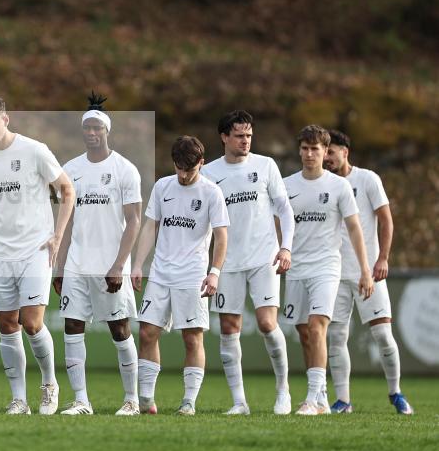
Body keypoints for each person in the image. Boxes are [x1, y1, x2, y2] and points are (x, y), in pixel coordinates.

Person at [0, 96, 74, 415]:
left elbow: (67, 190)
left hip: (35, 249)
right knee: (6, 323)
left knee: (31, 322)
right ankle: (19, 399)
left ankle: (49, 384)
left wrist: (58, 236)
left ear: (6, 119)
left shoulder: (34, 150)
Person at [53, 94, 143, 416]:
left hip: (109, 266)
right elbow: (67, 222)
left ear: (107, 130)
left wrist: (119, 265)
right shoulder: (70, 169)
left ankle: (131, 400)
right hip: (77, 263)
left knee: (119, 328)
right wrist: (59, 267)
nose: (91, 133)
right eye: (87, 128)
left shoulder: (124, 169)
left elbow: (134, 221)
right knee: (72, 326)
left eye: (97, 128)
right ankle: (81, 401)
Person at [201, 110, 295, 415]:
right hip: (227, 262)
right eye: (239, 135)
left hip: (264, 257)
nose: (245, 141)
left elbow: (284, 209)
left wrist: (286, 247)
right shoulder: (209, 173)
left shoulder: (266, 165)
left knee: (267, 323)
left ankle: (283, 391)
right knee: (229, 328)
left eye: (249, 135)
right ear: (224, 137)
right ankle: (239, 402)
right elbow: (204, 223)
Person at [131, 136, 229, 416]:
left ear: (202, 163)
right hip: (160, 273)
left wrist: (214, 272)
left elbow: (222, 236)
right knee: (147, 332)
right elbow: (150, 227)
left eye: (190, 169)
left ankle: (188, 402)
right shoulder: (163, 186)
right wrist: (138, 264)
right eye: (179, 168)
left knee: (192, 338)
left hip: (193, 275)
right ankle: (146, 400)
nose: (183, 175)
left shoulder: (211, 192)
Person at [282, 125, 373, 415]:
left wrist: (365, 269)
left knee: (317, 326)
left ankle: (312, 398)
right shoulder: (286, 185)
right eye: (305, 148)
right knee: (304, 332)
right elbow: (277, 224)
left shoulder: (339, 186)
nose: (309, 154)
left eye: (315, 149)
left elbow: (355, 229)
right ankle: (321, 396)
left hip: (326, 266)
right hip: (296, 267)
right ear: (299, 151)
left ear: (325, 152)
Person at [323, 129, 413, 415]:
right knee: (336, 337)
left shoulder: (367, 179)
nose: (326, 158)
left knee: (383, 335)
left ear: (345, 152)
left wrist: (382, 258)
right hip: (334, 273)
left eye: (330, 152)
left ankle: (396, 393)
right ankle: (343, 400)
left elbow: (386, 220)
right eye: (324, 153)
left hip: (367, 272)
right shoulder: (323, 184)